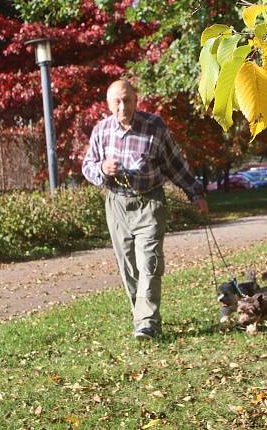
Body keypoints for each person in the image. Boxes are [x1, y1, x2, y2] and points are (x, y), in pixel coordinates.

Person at [82, 80, 209, 340]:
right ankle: (141, 317)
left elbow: (175, 164)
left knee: (149, 263)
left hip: (149, 202)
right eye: (116, 101)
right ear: (108, 104)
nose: (122, 106)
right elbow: (87, 166)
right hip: (117, 204)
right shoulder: (101, 131)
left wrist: (195, 192)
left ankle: (147, 322)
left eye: (127, 100)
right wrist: (102, 170)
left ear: (136, 100)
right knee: (128, 266)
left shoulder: (154, 127)